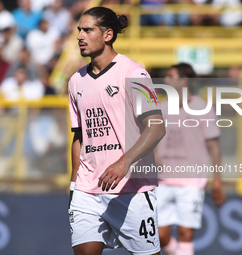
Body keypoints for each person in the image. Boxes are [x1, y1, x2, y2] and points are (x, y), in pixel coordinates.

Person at [68, 6, 165, 255]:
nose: (80, 35)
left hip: (130, 190)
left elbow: (156, 127)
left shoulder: (134, 73)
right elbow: (79, 137)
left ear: (108, 35)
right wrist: (73, 184)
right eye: (79, 29)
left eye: (88, 30)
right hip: (87, 189)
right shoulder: (76, 81)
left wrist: (124, 162)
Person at [154, 63, 226, 255]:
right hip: (163, 179)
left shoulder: (203, 108)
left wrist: (217, 179)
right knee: (160, 236)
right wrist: (154, 155)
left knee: (186, 233)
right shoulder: (160, 108)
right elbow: (150, 140)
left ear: (183, 80)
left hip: (192, 180)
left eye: (171, 76)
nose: (166, 80)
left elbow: (214, 147)